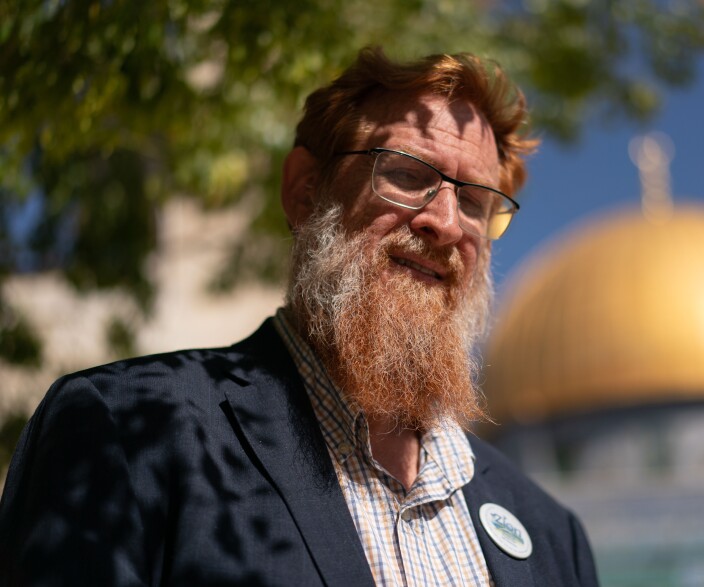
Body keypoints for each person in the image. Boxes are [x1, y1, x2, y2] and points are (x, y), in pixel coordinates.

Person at [0, 47, 599, 586]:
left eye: (474, 200)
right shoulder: (131, 430)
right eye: (408, 175)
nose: (444, 222)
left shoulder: (550, 536)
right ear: (306, 192)